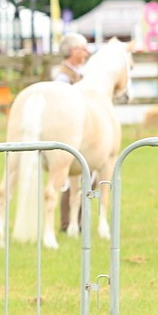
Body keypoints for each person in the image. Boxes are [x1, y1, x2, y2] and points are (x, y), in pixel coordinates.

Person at [52, 33, 90, 230]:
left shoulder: (76, 74)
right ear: (74, 52)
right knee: (69, 180)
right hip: (68, 135)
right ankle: (67, 223)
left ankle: (79, 221)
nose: (87, 52)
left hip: (80, 134)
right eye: (83, 48)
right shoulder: (63, 78)